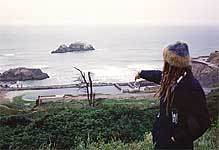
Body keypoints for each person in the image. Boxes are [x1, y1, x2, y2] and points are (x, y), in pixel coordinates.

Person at [135, 41, 210, 149]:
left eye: (167, 61)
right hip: (162, 140)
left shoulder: (192, 88)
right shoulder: (172, 78)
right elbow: (159, 76)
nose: (164, 63)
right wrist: (142, 73)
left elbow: (203, 122)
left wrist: (178, 138)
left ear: (174, 64)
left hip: (177, 145)